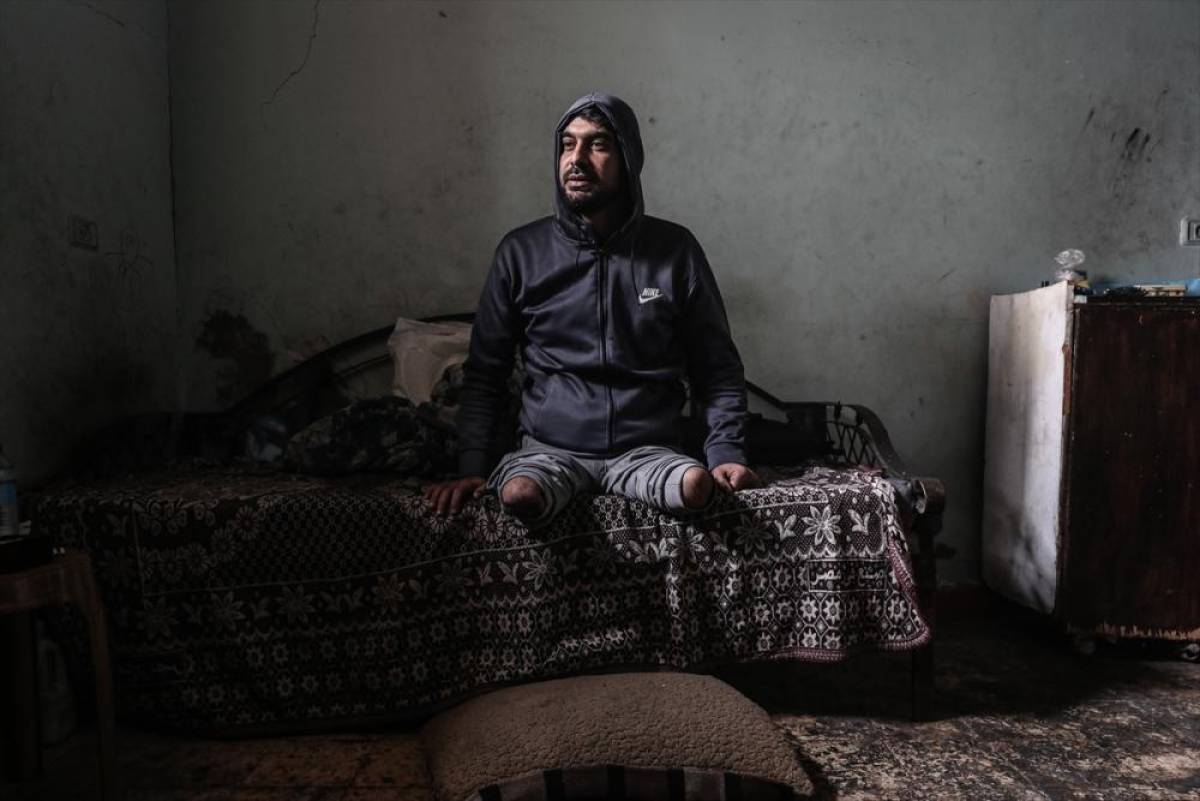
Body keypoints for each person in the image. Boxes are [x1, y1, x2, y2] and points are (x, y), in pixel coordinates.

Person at [423, 92, 758, 525]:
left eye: (597, 144)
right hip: (548, 451)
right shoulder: (521, 252)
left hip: (647, 450)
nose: (576, 159)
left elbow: (717, 368)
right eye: (567, 144)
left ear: (628, 159)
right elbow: (486, 374)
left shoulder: (675, 250)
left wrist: (726, 452)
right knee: (519, 493)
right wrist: (471, 467)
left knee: (695, 486)